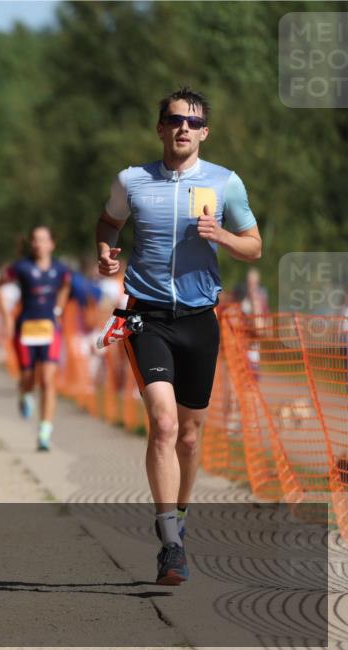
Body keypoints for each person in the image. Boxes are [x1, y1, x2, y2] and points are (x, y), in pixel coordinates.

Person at [95, 87, 262, 585]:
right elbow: (109, 221)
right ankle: (170, 542)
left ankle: (181, 517)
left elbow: (254, 246)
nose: (183, 128)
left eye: (192, 122)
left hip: (198, 319)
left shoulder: (226, 183)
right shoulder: (133, 180)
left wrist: (224, 237)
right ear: (161, 128)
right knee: (164, 425)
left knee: (190, 436)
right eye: (174, 120)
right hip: (147, 316)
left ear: (204, 132)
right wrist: (106, 250)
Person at [0, 226, 71, 451]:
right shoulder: (21, 267)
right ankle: (25, 394)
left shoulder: (60, 269)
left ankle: (45, 431)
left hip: (49, 329)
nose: (39, 244)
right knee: (28, 377)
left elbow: (66, 286)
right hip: (26, 329)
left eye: (43, 240)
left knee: (47, 380)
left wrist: (58, 310)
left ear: (52, 244)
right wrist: (7, 317)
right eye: (35, 240)